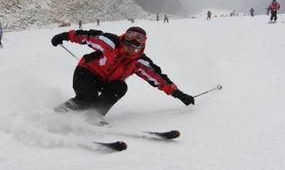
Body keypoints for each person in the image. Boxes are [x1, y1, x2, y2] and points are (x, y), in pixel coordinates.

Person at [51, 27, 195, 117]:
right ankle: (57, 114)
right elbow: (86, 36)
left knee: (120, 87)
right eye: (127, 45)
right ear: (123, 41)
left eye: (134, 48)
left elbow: (158, 78)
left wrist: (179, 94)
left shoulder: (140, 62)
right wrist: (64, 36)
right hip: (87, 72)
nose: (130, 50)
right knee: (87, 99)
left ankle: (94, 116)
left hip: (106, 82)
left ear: (141, 47)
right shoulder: (110, 42)